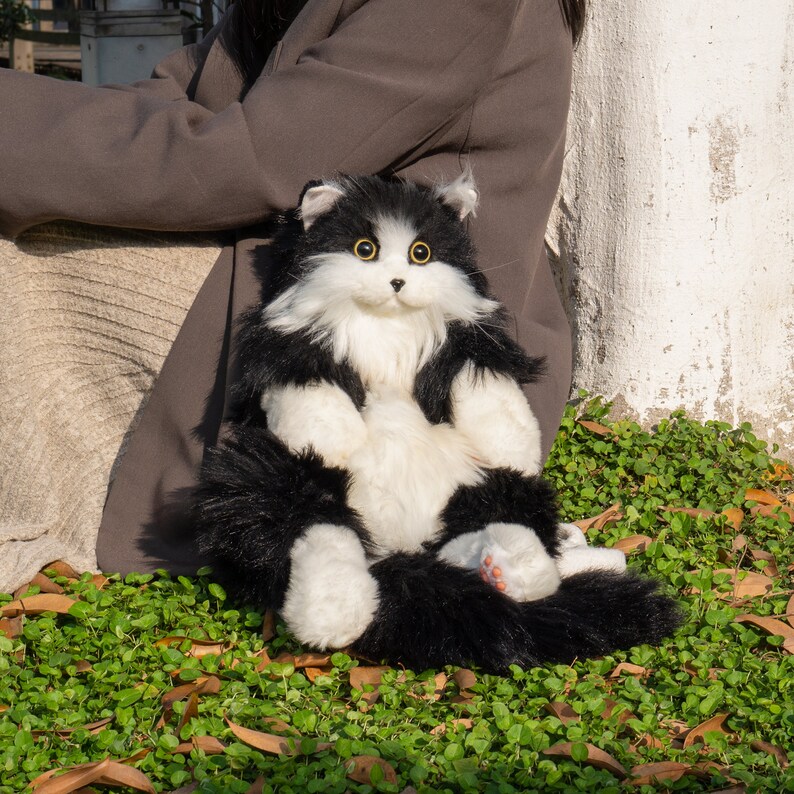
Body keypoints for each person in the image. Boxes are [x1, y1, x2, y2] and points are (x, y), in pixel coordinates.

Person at [0, 0, 584, 576]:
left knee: (21, 245)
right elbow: (188, 92)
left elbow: (246, 159)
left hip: (396, 365)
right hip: (302, 290)